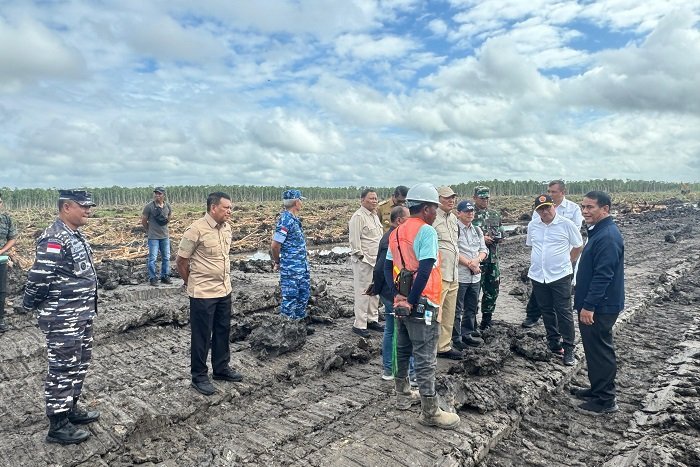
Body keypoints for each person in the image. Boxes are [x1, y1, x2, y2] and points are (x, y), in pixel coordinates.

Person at [22, 190, 101, 445]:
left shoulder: (75, 236)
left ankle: (71, 409)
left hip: (80, 313)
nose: (88, 211)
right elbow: (39, 277)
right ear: (67, 207)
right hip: (62, 316)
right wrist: (32, 304)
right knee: (63, 367)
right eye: (83, 206)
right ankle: (57, 424)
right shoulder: (53, 238)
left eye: (90, 207)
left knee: (79, 362)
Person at [383, 182, 460, 429]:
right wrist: (413, 300)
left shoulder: (396, 232)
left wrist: (399, 296)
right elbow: (426, 268)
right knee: (426, 357)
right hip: (423, 302)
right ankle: (430, 411)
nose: (436, 212)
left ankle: (403, 395)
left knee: (403, 349)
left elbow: (387, 267)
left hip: (402, 302)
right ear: (426, 208)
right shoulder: (426, 232)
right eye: (434, 207)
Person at [176, 192, 242, 397]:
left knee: (222, 331)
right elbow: (181, 262)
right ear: (213, 208)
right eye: (226, 208)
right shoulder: (195, 230)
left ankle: (221, 369)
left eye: (231, 208)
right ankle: (199, 376)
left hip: (224, 289)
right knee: (202, 336)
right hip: (203, 292)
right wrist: (191, 283)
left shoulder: (227, 228)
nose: (230, 211)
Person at [572, 191, 624, 414]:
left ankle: (605, 400)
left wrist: (589, 306)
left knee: (600, 349)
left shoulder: (608, 236)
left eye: (590, 207)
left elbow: (604, 275)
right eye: (583, 207)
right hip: (597, 304)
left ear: (605, 210)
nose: (585, 211)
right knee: (593, 349)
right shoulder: (599, 232)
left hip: (600, 307)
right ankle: (597, 389)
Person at [526, 195, 583, 366]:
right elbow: (532, 245)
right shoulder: (533, 225)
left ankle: (569, 349)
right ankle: (553, 343)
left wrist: (568, 261)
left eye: (547, 207)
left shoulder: (566, 224)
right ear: (537, 211)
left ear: (554, 207)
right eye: (541, 209)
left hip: (560, 276)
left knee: (564, 312)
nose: (545, 211)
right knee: (546, 311)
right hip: (538, 275)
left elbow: (578, 245)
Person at [522, 180, 584, 328]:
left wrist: (568, 259)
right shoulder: (540, 210)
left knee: (562, 295)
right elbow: (536, 230)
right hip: (544, 257)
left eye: (553, 192)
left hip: (565, 255)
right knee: (540, 289)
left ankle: (563, 329)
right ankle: (533, 315)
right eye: (549, 191)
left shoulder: (573, 209)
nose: (550, 194)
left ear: (563, 192)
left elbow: (575, 236)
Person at [371, 205, 415, 383]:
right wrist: (391, 292)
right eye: (408, 218)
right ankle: (394, 369)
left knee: (392, 329)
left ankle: (391, 369)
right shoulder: (391, 238)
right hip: (392, 293)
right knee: (397, 331)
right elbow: (381, 268)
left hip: (391, 291)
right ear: (399, 221)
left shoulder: (397, 236)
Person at [452, 200, 488, 348]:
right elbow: (454, 251)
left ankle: (467, 334)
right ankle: (456, 338)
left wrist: (477, 261)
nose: (470, 213)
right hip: (461, 275)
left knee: (471, 307)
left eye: (472, 211)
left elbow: (484, 250)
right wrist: (469, 264)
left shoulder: (477, 230)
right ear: (458, 213)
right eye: (466, 211)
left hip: (475, 276)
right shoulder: (454, 229)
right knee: (457, 309)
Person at [349, 188, 384, 338]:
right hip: (364, 262)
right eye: (371, 198)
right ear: (362, 200)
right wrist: (362, 258)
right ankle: (360, 324)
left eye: (376, 198)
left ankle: (372, 319)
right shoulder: (358, 217)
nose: (374, 201)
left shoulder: (375, 216)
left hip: (377, 260)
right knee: (363, 292)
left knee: (375, 292)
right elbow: (355, 242)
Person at [270, 189, 310, 320]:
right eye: (301, 200)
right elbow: (275, 245)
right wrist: (278, 262)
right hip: (291, 270)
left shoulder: (294, 219)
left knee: (303, 296)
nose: (302, 203)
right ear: (296, 202)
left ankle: (298, 327)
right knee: (290, 300)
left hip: (301, 268)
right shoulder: (285, 220)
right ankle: (287, 328)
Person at [434, 186, 462, 360]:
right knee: (436, 313)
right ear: (437, 199)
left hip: (453, 273)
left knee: (449, 312)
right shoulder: (432, 218)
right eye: (447, 198)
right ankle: (431, 346)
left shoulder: (453, 218)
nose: (451, 201)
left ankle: (444, 346)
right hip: (439, 274)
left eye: (453, 198)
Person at [472, 186, 505, 331]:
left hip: (492, 260)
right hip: (475, 261)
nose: (485, 201)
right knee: (473, 292)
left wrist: (497, 237)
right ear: (475, 198)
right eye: (482, 198)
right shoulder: (469, 214)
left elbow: (503, 233)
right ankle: (471, 322)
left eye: (487, 198)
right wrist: (481, 238)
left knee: (492, 290)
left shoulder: (494, 214)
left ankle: (486, 320)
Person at [141, 187, 172, 286]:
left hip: (165, 236)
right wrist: (149, 230)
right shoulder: (149, 207)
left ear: (163, 195)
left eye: (159, 194)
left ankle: (165, 276)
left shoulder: (167, 206)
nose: (157, 196)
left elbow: (170, 216)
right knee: (152, 258)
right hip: (153, 237)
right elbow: (144, 220)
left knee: (166, 257)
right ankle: (153, 278)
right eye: (156, 194)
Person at [0, 192, 18, 333]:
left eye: (0, 202)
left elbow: (12, 238)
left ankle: (0, 320)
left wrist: (2, 250)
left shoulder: (6, 220)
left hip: (1, 261)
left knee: (1, 291)